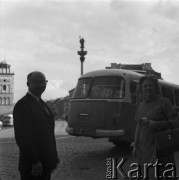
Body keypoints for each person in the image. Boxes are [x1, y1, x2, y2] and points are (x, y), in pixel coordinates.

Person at [13, 71, 59, 180]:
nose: (41, 85)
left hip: (46, 163)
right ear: (28, 84)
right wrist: (34, 162)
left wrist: (53, 155)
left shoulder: (42, 103)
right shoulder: (23, 104)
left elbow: (48, 133)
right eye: (37, 82)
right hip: (33, 167)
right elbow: (22, 137)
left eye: (43, 82)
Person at [132, 75, 179, 180]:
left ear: (155, 87)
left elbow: (176, 122)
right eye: (145, 86)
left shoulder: (164, 102)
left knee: (162, 174)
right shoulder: (141, 104)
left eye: (151, 86)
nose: (148, 88)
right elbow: (138, 126)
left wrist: (157, 124)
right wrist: (135, 145)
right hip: (144, 147)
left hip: (160, 147)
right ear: (141, 88)